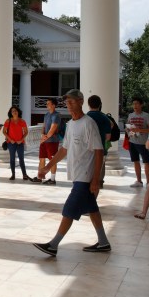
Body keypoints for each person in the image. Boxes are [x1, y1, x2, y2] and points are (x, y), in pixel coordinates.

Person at [33, 90, 111, 256]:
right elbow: (64, 149)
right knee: (92, 208)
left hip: (86, 175)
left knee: (69, 209)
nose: (69, 106)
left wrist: (95, 179)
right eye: (67, 103)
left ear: (81, 101)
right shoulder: (70, 124)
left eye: (72, 102)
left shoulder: (89, 123)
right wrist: (48, 166)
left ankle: (53, 245)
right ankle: (103, 242)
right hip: (77, 174)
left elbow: (98, 151)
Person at [85, 95, 112, 188]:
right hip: (100, 148)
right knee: (101, 164)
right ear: (100, 104)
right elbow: (108, 137)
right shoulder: (105, 118)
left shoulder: (85, 117)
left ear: (88, 104)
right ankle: (99, 182)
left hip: (87, 148)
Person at [126, 98, 149, 187]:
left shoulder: (146, 116)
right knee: (135, 161)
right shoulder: (130, 115)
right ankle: (139, 181)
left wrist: (139, 129)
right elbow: (128, 126)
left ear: (141, 105)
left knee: (146, 162)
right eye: (133, 104)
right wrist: (128, 130)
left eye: (137, 104)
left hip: (143, 143)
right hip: (132, 141)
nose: (135, 106)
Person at [3, 106, 30, 181]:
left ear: (18, 112)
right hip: (11, 143)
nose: (14, 112)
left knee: (21, 159)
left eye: (15, 111)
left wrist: (21, 140)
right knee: (12, 159)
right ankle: (13, 175)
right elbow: (4, 132)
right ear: (11, 113)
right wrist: (10, 139)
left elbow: (26, 132)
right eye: (12, 111)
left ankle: (24, 175)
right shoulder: (8, 121)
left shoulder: (22, 121)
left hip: (20, 143)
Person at [39, 98, 61, 185]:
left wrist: (44, 138)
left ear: (53, 105)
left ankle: (52, 179)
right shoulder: (46, 114)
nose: (46, 105)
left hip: (52, 141)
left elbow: (52, 130)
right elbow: (44, 127)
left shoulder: (56, 115)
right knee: (41, 158)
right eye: (47, 103)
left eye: (48, 103)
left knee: (52, 160)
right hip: (45, 140)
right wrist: (42, 135)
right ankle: (40, 177)